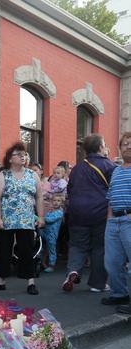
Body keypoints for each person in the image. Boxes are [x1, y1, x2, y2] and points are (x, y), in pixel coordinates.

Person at [0, 142, 44, 295]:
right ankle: (1, 282)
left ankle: (30, 282)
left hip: (26, 220)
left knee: (26, 250)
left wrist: (41, 216)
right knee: (4, 250)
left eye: (24, 154)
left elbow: (39, 197)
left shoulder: (33, 175)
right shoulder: (3, 175)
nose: (22, 156)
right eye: (18, 154)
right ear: (10, 159)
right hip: (7, 220)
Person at [62, 134, 115, 293]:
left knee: (77, 245)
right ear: (100, 147)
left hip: (77, 213)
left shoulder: (77, 168)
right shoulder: (109, 166)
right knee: (99, 248)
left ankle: (73, 271)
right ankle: (97, 284)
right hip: (100, 212)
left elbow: (69, 190)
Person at [102, 132, 131, 312]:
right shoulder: (116, 171)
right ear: (120, 148)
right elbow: (110, 196)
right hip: (114, 222)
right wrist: (109, 220)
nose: (128, 146)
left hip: (129, 220)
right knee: (112, 262)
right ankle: (119, 294)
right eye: (125, 144)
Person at [41, 194, 65, 273]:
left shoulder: (60, 213)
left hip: (52, 235)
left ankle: (51, 265)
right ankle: (43, 262)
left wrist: (40, 218)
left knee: (51, 249)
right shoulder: (50, 212)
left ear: (61, 203)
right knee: (44, 249)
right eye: (54, 200)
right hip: (45, 232)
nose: (56, 202)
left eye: (58, 201)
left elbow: (49, 220)